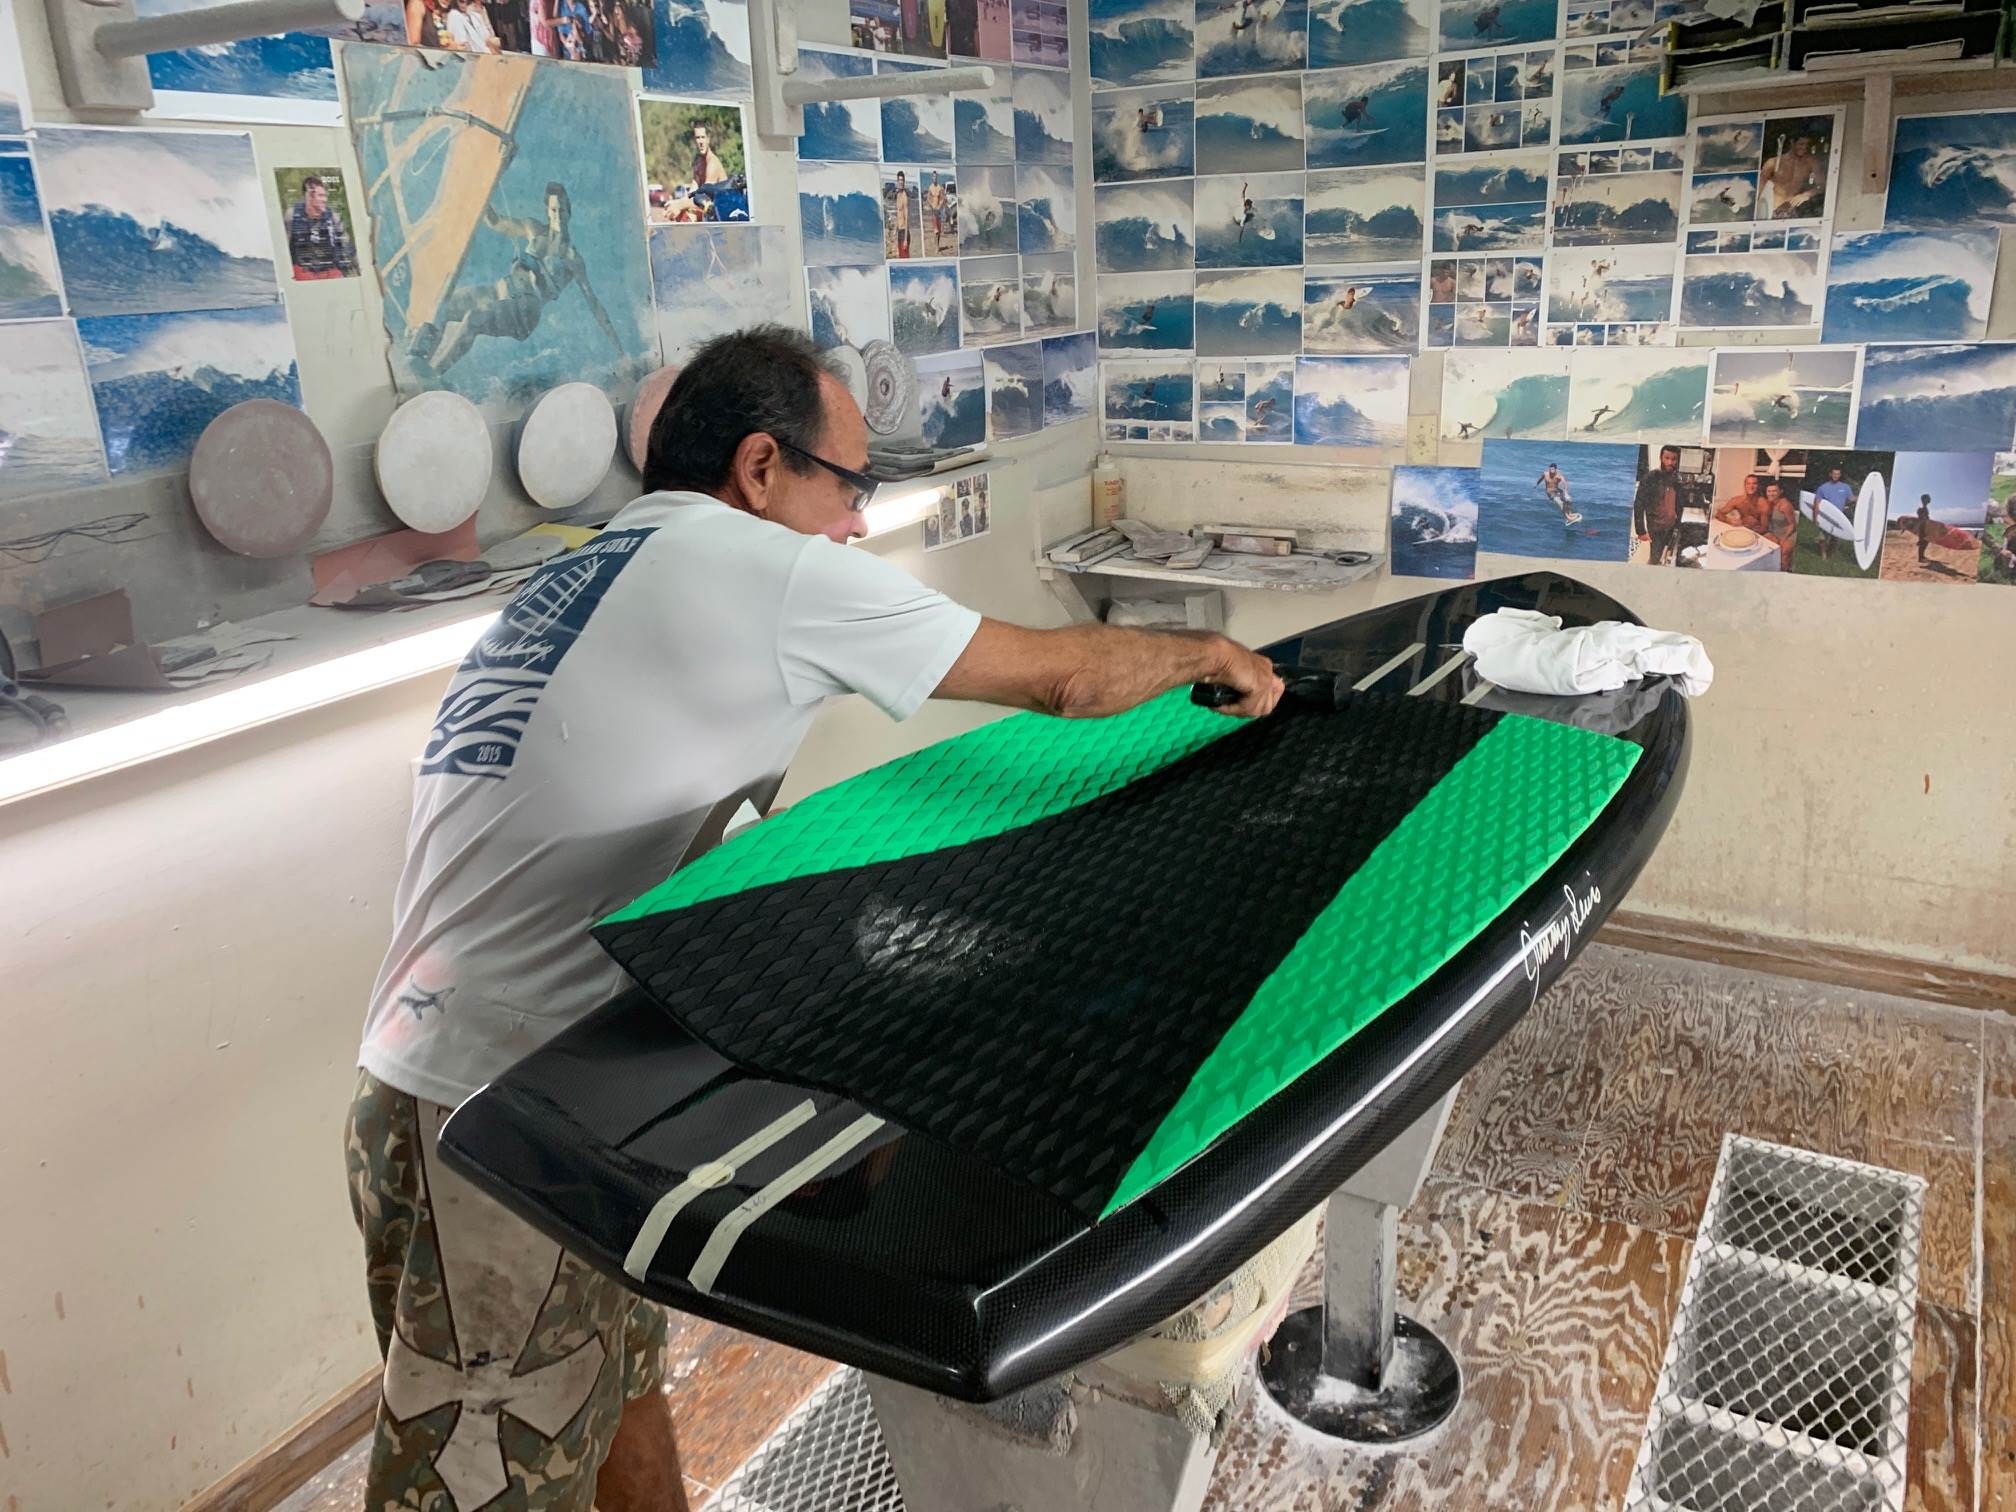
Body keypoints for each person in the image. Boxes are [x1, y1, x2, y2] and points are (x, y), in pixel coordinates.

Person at [346, 328, 1282, 1512]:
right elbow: (1062, 678)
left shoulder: (595, 564)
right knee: (484, 1476)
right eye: (849, 484)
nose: (856, 520)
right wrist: (1211, 651)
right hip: (482, 1112)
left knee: (616, 1390)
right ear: (759, 468)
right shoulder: (759, 566)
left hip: (477, 1079)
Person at [409, 182, 622, 379]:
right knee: (443, 303)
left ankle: (434, 376)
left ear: (569, 212)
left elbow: (595, 305)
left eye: (562, 210)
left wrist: (620, 352)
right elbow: (494, 221)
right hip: (499, 291)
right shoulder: (533, 229)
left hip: (524, 311)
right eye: (553, 210)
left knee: (473, 319)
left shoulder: (571, 258)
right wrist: (476, 187)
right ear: (547, 211)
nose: (558, 215)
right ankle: (419, 358)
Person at [284, 174, 357, 282]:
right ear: (309, 197)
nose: (325, 200)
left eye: (325, 195)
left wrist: (362, 269)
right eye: (321, 196)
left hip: (329, 272)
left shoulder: (333, 218)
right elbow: (283, 250)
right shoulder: (291, 215)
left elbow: (347, 245)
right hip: (302, 271)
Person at [1633, 444, 1682, 565]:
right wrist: (1641, 531)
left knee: (1666, 553)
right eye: (1667, 458)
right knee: (1654, 558)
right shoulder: (1650, 477)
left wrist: (1678, 523)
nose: (1670, 462)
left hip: (1671, 525)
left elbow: (1678, 503)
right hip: (1656, 527)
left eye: (1673, 459)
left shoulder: (1676, 478)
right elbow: (1639, 503)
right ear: (1661, 458)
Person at [1761, 132, 1824, 218]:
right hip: (1772, 209)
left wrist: (1806, 195)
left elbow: (1822, 186)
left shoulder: (1811, 162)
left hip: (1793, 211)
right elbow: (1759, 187)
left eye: (1807, 145)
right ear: (1792, 143)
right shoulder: (1774, 162)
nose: (1804, 147)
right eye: (1801, 144)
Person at [1813, 464, 1852, 561]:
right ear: (1830, 474)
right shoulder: (1823, 488)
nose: (1836, 476)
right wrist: (1815, 518)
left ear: (1840, 475)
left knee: (1835, 538)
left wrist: (1862, 496)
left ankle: (1830, 554)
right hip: (1825, 516)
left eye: (1838, 474)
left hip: (1839, 517)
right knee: (1822, 537)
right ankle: (1823, 554)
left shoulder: (1845, 487)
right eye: (1834, 474)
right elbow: (1816, 503)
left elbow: (1851, 499)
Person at [1762, 479, 1798, 570]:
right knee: (1761, 544)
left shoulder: (1785, 505)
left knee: (1783, 553)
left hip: (1788, 534)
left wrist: (1783, 539)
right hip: (1774, 532)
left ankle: (1784, 572)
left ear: (1780, 492)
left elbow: (1792, 525)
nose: (1771, 493)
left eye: (1774, 491)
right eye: (1769, 491)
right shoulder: (1768, 503)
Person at [689, 121, 729, 187]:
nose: (701, 142)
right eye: (698, 138)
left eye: (703, 137)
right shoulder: (699, 163)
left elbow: (706, 192)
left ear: (708, 139)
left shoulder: (712, 163)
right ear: (694, 140)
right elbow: (693, 188)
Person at [889, 170, 913, 258]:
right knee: (901, 258)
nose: (901, 182)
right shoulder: (898, 195)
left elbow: (906, 218)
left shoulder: (904, 196)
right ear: (897, 181)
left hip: (904, 233)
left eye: (902, 180)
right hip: (900, 232)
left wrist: (905, 239)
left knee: (905, 259)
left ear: (904, 182)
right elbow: (898, 214)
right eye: (899, 180)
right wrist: (895, 229)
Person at [1917, 493, 1932, 562]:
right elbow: (1921, 518)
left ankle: (1922, 556)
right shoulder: (1921, 508)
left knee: (1926, 542)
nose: (1929, 499)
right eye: (1928, 498)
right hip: (1922, 527)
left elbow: (1925, 518)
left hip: (1925, 527)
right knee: (1922, 542)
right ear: (1924, 499)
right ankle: (1920, 558)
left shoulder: (1925, 508)